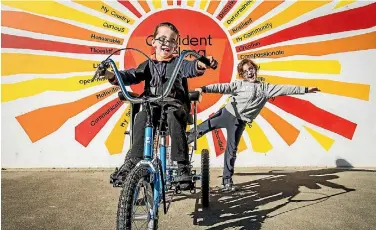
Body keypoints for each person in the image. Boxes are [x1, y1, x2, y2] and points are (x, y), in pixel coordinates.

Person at [99, 22, 217, 188]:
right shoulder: (148, 64)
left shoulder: (179, 62)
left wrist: (200, 64)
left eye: (171, 40)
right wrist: (110, 74)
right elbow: (132, 75)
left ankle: (182, 166)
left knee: (173, 115)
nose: (166, 43)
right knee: (141, 116)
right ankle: (133, 162)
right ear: (153, 42)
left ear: (176, 45)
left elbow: (191, 68)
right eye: (161, 39)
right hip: (153, 105)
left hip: (174, 105)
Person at [188, 58, 320, 191]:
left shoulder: (265, 88)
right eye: (245, 72)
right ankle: (180, 147)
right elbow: (222, 87)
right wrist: (203, 89)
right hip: (226, 114)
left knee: (231, 150)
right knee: (201, 129)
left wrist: (306, 89)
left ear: (255, 69)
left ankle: (227, 181)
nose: (249, 73)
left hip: (239, 123)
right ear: (242, 75)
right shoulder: (239, 85)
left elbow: (285, 89)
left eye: (250, 69)